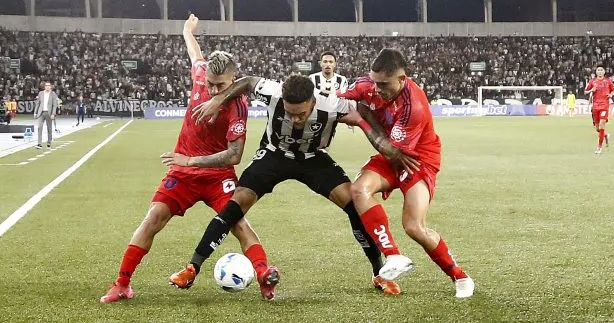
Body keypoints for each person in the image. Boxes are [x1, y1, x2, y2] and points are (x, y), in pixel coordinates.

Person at [170, 74, 411, 296]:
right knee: (234, 206)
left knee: (354, 207)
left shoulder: (332, 104)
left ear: (313, 102)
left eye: (301, 114)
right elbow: (247, 82)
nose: (294, 119)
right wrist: (218, 100)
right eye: (289, 113)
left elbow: (364, 114)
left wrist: (386, 146)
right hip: (274, 155)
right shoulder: (273, 92)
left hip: (313, 159)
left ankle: (379, 274)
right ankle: (192, 268)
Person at [100, 14, 276, 303]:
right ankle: (122, 284)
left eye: (221, 85)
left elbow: (234, 156)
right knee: (153, 218)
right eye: (210, 84)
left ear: (234, 80)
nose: (214, 90)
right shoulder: (200, 73)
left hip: (217, 175)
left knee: (239, 223)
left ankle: (263, 275)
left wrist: (190, 160)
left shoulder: (238, 106)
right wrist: (187, 31)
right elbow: (195, 55)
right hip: (182, 176)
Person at [340, 48, 475, 299]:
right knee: (358, 189)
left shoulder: (415, 106)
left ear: (401, 79)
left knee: (414, 226)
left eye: (383, 84)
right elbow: (334, 99)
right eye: (374, 81)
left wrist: (362, 118)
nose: (377, 89)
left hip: (417, 159)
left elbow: (393, 151)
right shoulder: (367, 85)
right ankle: (393, 255)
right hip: (392, 152)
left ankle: (460, 276)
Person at [585, 66, 614, 154]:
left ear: (604, 71)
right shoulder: (592, 81)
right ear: (596, 72)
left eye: (601, 70)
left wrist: (611, 94)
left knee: (602, 125)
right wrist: (591, 90)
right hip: (595, 107)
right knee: (598, 128)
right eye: (598, 70)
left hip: (604, 106)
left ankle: (599, 147)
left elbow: (613, 90)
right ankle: (606, 135)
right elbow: (585, 91)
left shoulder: (608, 81)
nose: (600, 71)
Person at [33, 82, 59, 149]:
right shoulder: (41, 93)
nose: (47, 87)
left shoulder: (53, 94)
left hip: (49, 113)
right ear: (44, 87)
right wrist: (35, 113)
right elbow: (38, 103)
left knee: (49, 128)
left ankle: (49, 143)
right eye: (46, 85)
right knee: (39, 127)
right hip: (41, 112)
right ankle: (39, 143)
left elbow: (54, 105)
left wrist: (53, 114)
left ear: (50, 87)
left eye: (48, 85)